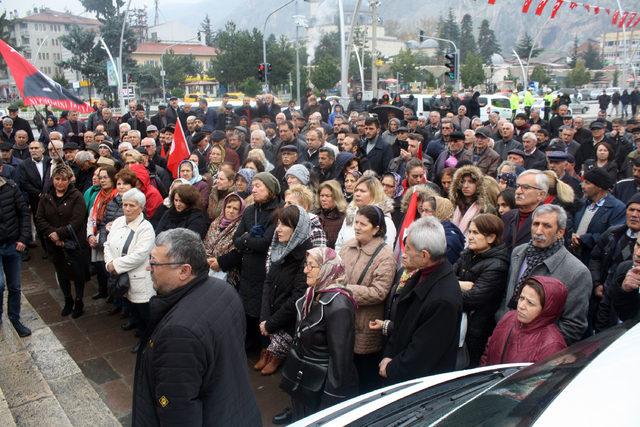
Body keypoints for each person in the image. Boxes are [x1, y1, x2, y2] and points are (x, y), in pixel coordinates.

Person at [133, 229, 261, 425]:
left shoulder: (178, 333)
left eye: (154, 263)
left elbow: (178, 412)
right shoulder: (224, 291)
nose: (148, 268)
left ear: (184, 271)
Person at [275, 247, 358, 424]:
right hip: (306, 379)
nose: (305, 270)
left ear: (327, 268)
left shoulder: (339, 306)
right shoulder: (312, 294)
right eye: (306, 265)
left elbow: (340, 362)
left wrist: (329, 403)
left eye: (311, 266)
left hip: (320, 389)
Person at [379, 216, 462, 383]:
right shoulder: (421, 274)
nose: (404, 252)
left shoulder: (443, 300)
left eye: (408, 248)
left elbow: (423, 353)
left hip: (417, 384)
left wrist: (392, 367)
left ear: (424, 255)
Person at [498, 204, 591, 345]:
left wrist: (535, 345)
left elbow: (573, 326)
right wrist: (502, 322)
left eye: (547, 226)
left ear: (560, 232)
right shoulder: (518, 252)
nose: (538, 231)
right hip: (506, 336)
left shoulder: (577, 272)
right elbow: (507, 294)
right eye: (536, 224)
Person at [339, 205, 396, 392]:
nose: (357, 227)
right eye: (356, 222)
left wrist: (346, 290)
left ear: (376, 228)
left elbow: (379, 292)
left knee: (365, 376)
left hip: (365, 324)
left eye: (363, 224)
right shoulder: (348, 247)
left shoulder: (385, 255)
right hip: (344, 318)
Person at [257, 205, 313, 376]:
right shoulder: (279, 248)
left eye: (284, 225)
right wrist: (265, 317)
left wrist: (272, 323)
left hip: (287, 319)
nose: (278, 229)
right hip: (272, 312)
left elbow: (298, 296)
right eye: (278, 223)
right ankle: (268, 349)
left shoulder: (305, 257)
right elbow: (268, 282)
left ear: (297, 230)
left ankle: (277, 355)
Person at [453, 214, 509, 367]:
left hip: (476, 331)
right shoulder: (468, 254)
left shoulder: (497, 265)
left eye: (475, 233)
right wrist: (461, 285)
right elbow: (446, 278)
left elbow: (472, 298)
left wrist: (451, 286)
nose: (470, 236)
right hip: (458, 325)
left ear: (491, 238)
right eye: (470, 232)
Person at [103, 188, 156, 353]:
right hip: (123, 278)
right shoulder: (118, 222)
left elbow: (139, 255)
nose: (127, 208)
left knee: (144, 313)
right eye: (125, 204)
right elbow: (107, 244)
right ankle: (142, 336)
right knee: (133, 310)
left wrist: (115, 266)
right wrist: (109, 263)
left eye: (131, 205)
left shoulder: (146, 228)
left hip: (139, 279)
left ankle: (148, 342)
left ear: (141, 207)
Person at [234, 172, 281, 350]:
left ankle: (263, 347)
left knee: (261, 310)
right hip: (247, 270)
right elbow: (236, 240)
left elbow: (265, 243)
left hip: (265, 271)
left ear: (270, 190)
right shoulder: (249, 210)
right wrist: (247, 238)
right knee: (245, 309)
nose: (253, 189)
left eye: (258, 186)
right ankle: (247, 342)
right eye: (253, 186)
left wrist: (246, 239)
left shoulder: (278, 211)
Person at [36, 165, 89, 318]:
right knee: (61, 273)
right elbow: (39, 218)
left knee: (78, 274)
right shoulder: (46, 196)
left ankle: (79, 301)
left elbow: (77, 220)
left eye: (63, 179)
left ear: (69, 180)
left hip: (73, 242)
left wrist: (59, 233)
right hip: (53, 243)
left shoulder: (76, 196)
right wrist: (51, 234)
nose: (60, 183)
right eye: (57, 179)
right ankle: (68, 300)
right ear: (52, 179)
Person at [481, 276, 567, 365]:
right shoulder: (509, 316)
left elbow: (542, 378)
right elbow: (488, 351)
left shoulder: (552, 346)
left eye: (530, 303)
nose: (521, 306)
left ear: (547, 309)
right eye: (521, 298)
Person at [0, 159, 32, 336]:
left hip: (12, 244)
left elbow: (24, 213)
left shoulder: (11, 187)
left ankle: (15, 318)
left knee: (14, 286)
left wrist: (23, 238)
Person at [572, 168, 626, 265]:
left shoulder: (617, 208)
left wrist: (585, 239)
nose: (582, 186)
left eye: (587, 183)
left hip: (595, 262)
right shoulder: (584, 203)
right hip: (576, 258)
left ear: (599, 187)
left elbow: (612, 235)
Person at [334, 173, 397, 252]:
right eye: (356, 190)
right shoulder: (350, 216)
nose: (357, 194)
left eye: (362, 191)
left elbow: (385, 253)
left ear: (374, 194)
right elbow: (339, 244)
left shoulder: (385, 221)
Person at [86, 166, 118, 300]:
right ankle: (102, 290)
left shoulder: (116, 196)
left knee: (109, 269)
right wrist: (90, 235)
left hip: (108, 238)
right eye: (100, 178)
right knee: (99, 267)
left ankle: (113, 295)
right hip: (96, 234)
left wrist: (99, 237)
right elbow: (91, 216)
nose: (102, 180)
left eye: (106, 177)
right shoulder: (98, 195)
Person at [205, 193, 245, 287]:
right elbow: (206, 243)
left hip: (227, 274)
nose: (231, 211)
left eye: (235, 209)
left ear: (241, 211)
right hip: (208, 266)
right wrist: (208, 260)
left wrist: (220, 262)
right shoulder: (215, 223)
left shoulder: (241, 227)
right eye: (228, 207)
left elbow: (238, 252)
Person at [449, 165, 495, 236]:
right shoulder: (453, 205)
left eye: (470, 182)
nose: (465, 186)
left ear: (478, 185)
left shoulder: (486, 209)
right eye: (462, 182)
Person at [317, 180, 347, 249]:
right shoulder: (316, 215)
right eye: (322, 195)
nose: (323, 199)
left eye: (327, 196)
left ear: (336, 197)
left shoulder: (344, 218)